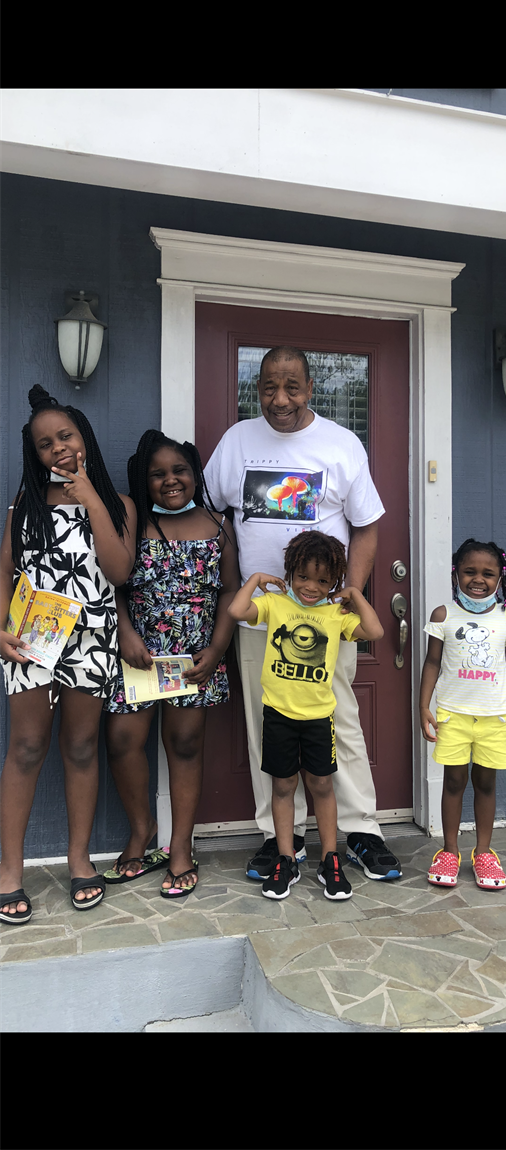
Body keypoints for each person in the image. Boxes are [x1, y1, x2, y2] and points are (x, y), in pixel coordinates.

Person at [204, 346, 402, 881]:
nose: (280, 399)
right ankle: (278, 838)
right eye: (269, 387)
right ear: (257, 388)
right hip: (262, 617)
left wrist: (350, 594)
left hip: (322, 618)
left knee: (340, 719)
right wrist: (233, 586)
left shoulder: (340, 444)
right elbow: (215, 515)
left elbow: (366, 526)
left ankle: (361, 829)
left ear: (310, 388)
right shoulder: (236, 442)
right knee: (266, 726)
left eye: (292, 387)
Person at [0, 385, 137, 925]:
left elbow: (120, 572)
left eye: (65, 436)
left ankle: (80, 859)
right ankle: (9, 871)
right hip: (32, 634)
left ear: (85, 440)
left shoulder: (116, 504)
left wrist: (91, 498)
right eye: (43, 444)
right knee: (27, 747)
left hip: (92, 637)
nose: (56, 448)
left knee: (81, 748)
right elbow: (5, 572)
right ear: (33, 455)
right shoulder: (24, 505)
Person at [104, 429, 239, 899]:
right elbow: (114, 585)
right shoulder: (132, 522)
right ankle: (141, 831)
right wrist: (125, 633)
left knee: (184, 743)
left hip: (195, 656)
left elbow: (229, 592)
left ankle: (181, 844)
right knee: (123, 740)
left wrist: (218, 649)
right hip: (138, 653)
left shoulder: (218, 525)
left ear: (195, 473)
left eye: (179, 470)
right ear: (143, 480)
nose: (170, 480)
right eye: (157, 474)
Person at [228, 531, 384, 900]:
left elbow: (374, 631)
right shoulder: (277, 605)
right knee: (283, 786)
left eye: (323, 580)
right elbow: (237, 611)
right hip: (279, 716)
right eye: (303, 577)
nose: (311, 587)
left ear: (334, 583)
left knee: (322, 785)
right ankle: (286, 859)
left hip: (318, 719)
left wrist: (356, 595)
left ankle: (330, 859)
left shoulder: (335, 614)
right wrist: (255, 581)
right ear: (290, 572)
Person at [420, 538, 506, 890]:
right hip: (453, 715)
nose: (478, 579)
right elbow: (432, 662)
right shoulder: (444, 615)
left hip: (494, 717)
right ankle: (449, 850)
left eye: (488, 573)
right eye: (469, 571)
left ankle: (483, 852)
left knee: (486, 783)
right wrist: (423, 706)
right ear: (456, 574)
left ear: (501, 578)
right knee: (453, 782)